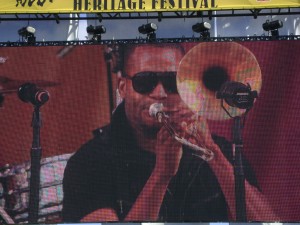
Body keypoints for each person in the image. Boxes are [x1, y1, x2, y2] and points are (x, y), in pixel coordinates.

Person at [62, 43, 278, 222]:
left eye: (173, 82)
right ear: (123, 88)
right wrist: (162, 174)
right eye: (145, 82)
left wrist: (213, 154)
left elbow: (268, 222)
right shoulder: (90, 161)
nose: (161, 93)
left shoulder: (220, 150)